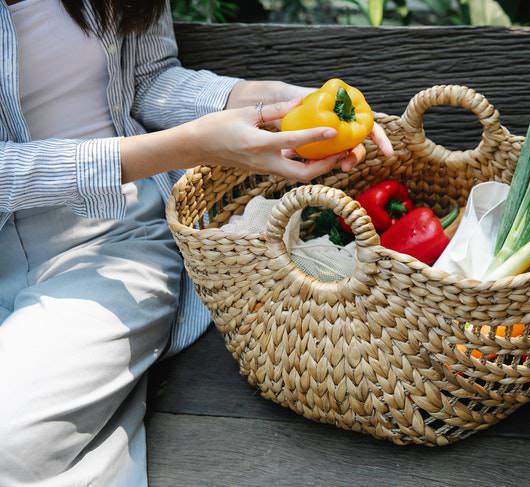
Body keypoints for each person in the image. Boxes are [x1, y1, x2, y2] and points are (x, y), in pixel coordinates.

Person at [0, 0, 394, 485]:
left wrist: (276, 104)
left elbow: (147, 82)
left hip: (110, 244)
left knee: (9, 441)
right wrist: (188, 145)